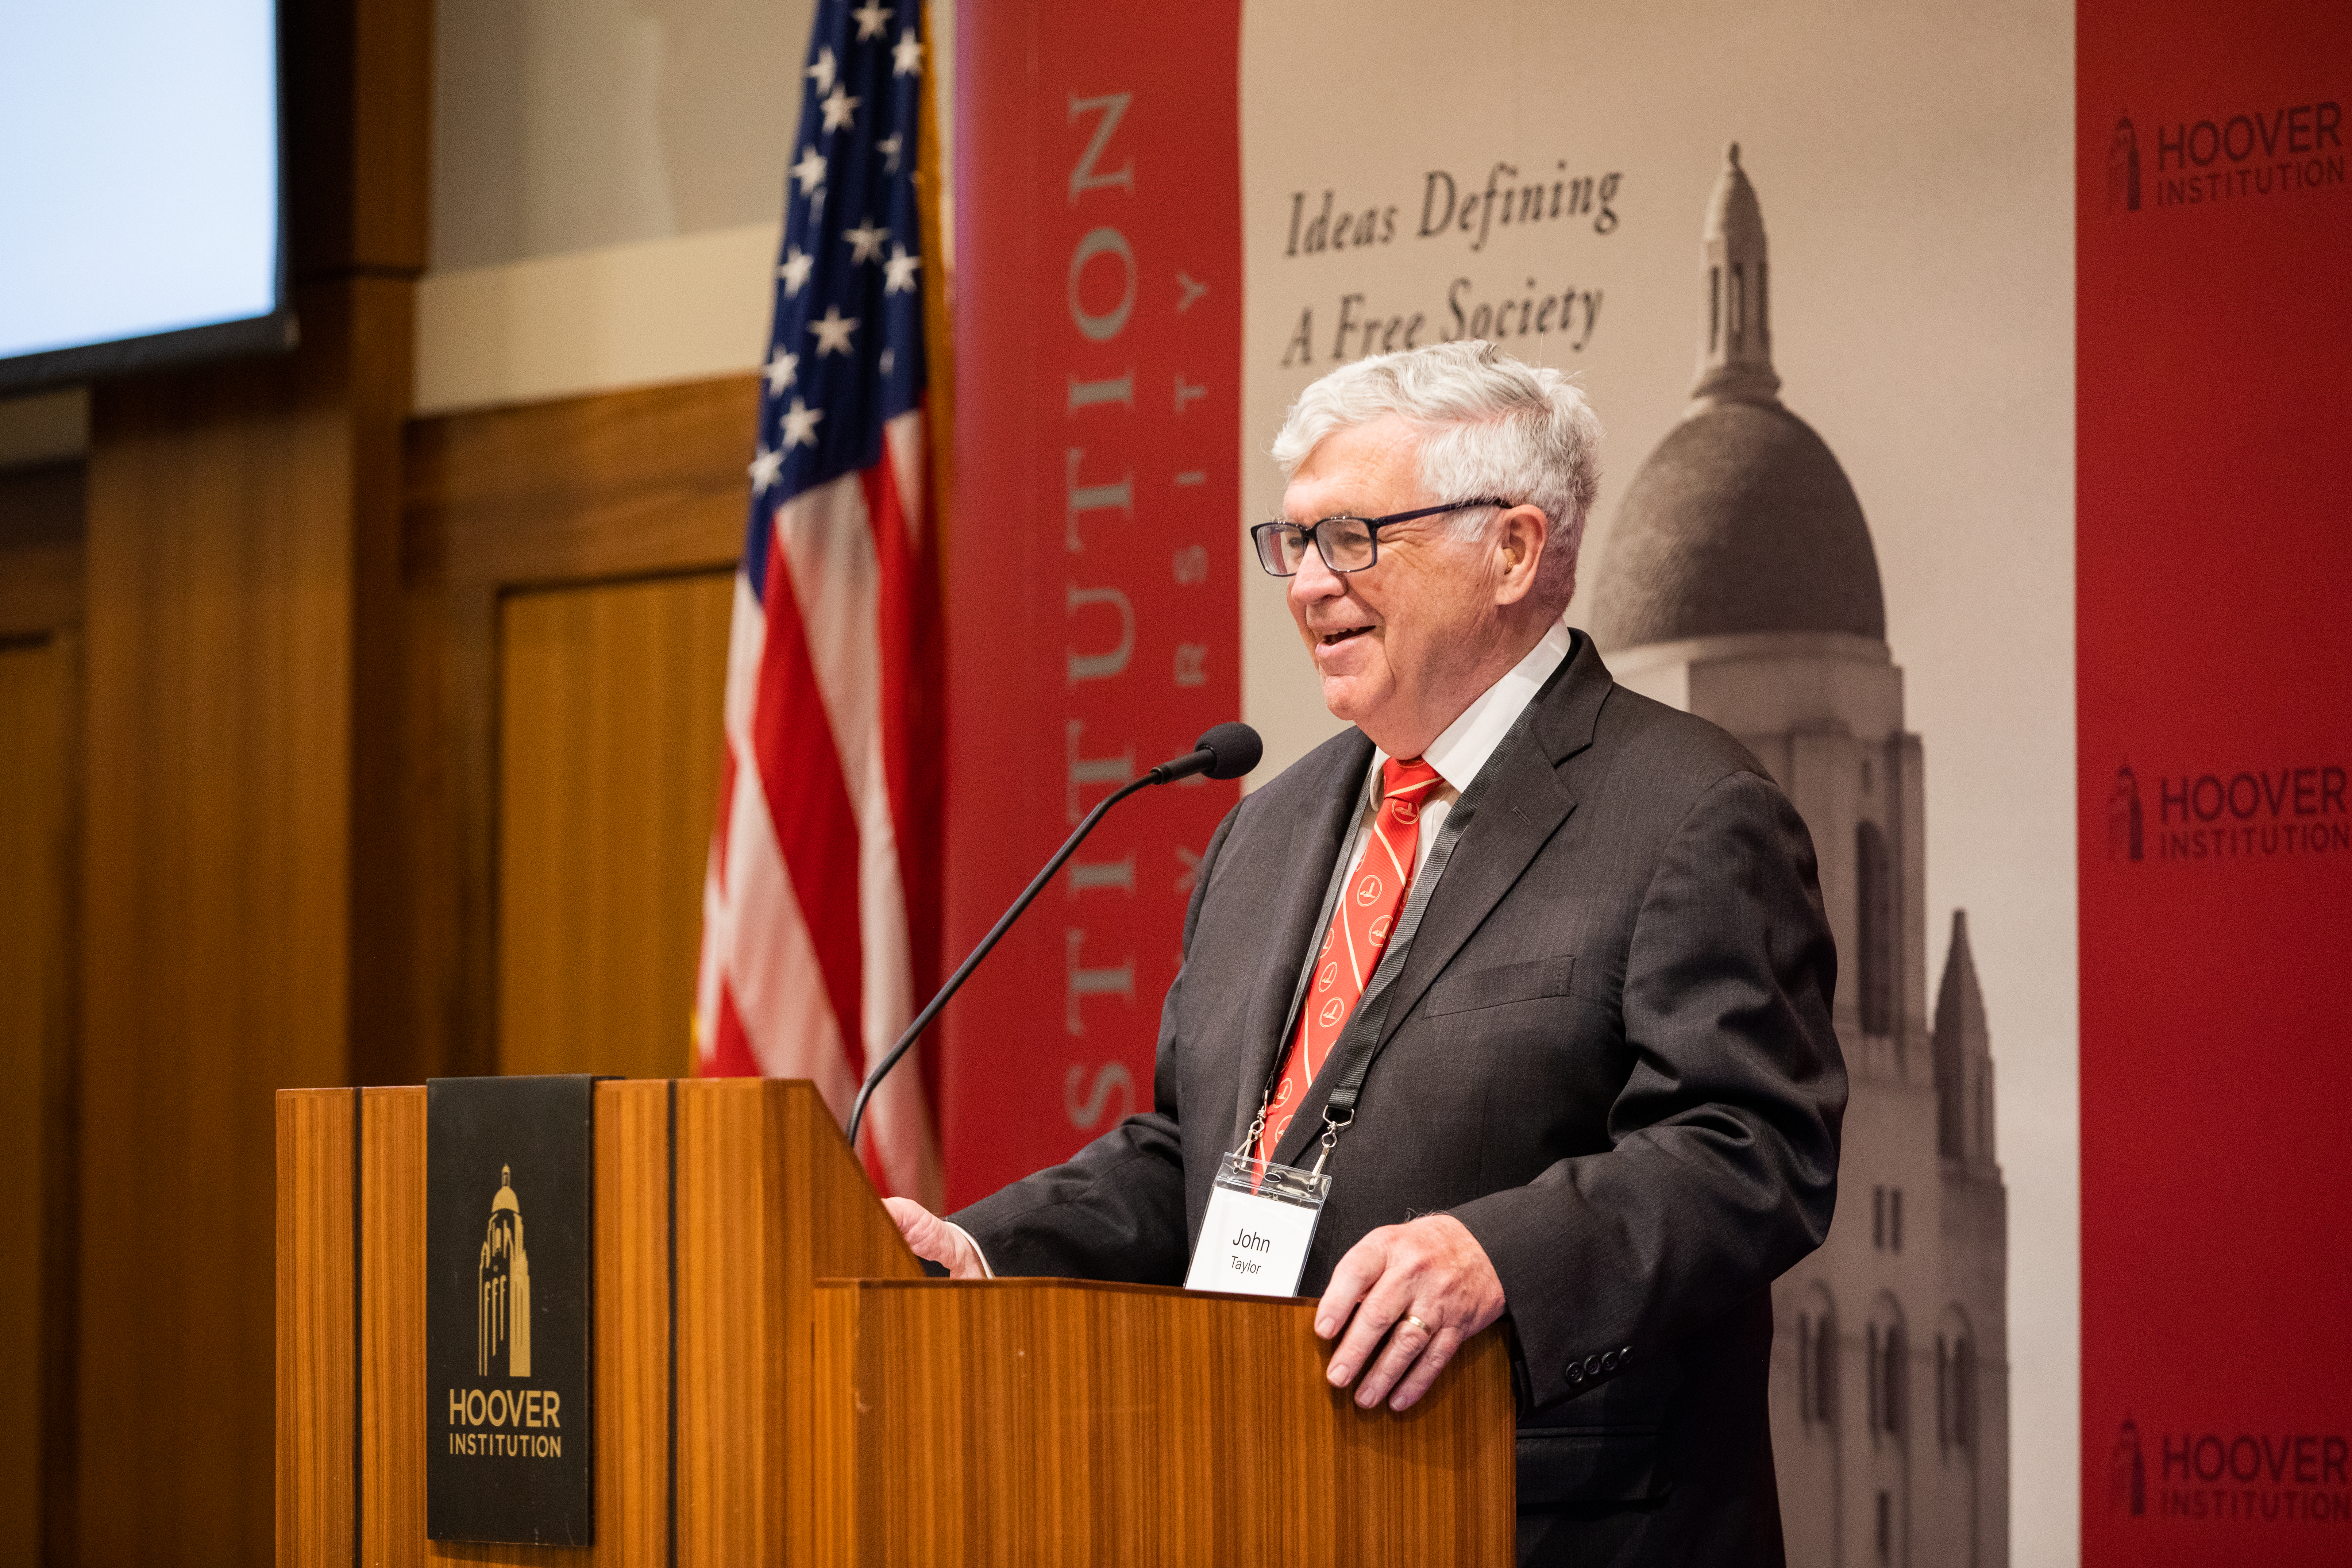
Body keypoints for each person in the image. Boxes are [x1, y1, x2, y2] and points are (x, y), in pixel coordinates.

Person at [886, 339, 1846, 1565]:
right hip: (1263, 1502)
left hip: (1536, 1516)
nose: (1306, 584)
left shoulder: (1687, 810)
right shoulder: (1269, 828)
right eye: (1293, 542)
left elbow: (1752, 1148)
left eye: (1354, 538)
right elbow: (1197, 1154)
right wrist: (980, 1248)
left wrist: (1500, 1253)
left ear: (1512, 549)